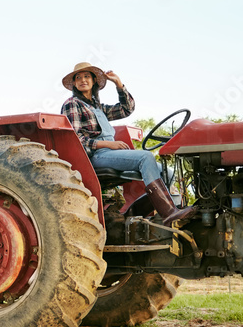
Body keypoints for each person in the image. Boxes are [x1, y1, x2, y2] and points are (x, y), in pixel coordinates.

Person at [60, 62, 196, 225]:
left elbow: (127, 109)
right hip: (97, 155)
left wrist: (119, 84)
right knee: (145, 157)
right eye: (78, 78)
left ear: (94, 81)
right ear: (74, 83)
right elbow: (76, 139)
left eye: (87, 76)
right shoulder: (72, 104)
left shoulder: (98, 107)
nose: (83, 80)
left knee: (168, 172)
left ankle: (133, 213)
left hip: (111, 152)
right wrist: (108, 145)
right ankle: (169, 213)